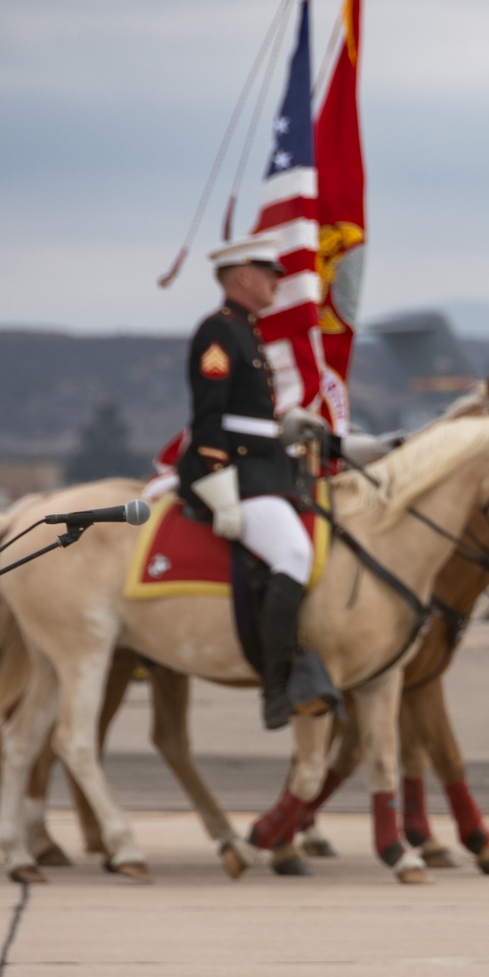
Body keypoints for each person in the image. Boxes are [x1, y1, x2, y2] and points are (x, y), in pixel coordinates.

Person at [178, 235, 333, 730]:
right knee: (294, 554)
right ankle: (277, 684)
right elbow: (209, 420)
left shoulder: (246, 331)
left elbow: (249, 415)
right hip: (239, 476)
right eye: (269, 275)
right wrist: (219, 487)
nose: (276, 284)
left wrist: (289, 428)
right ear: (243, 278)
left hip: (267, 469)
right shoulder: (219, 333)